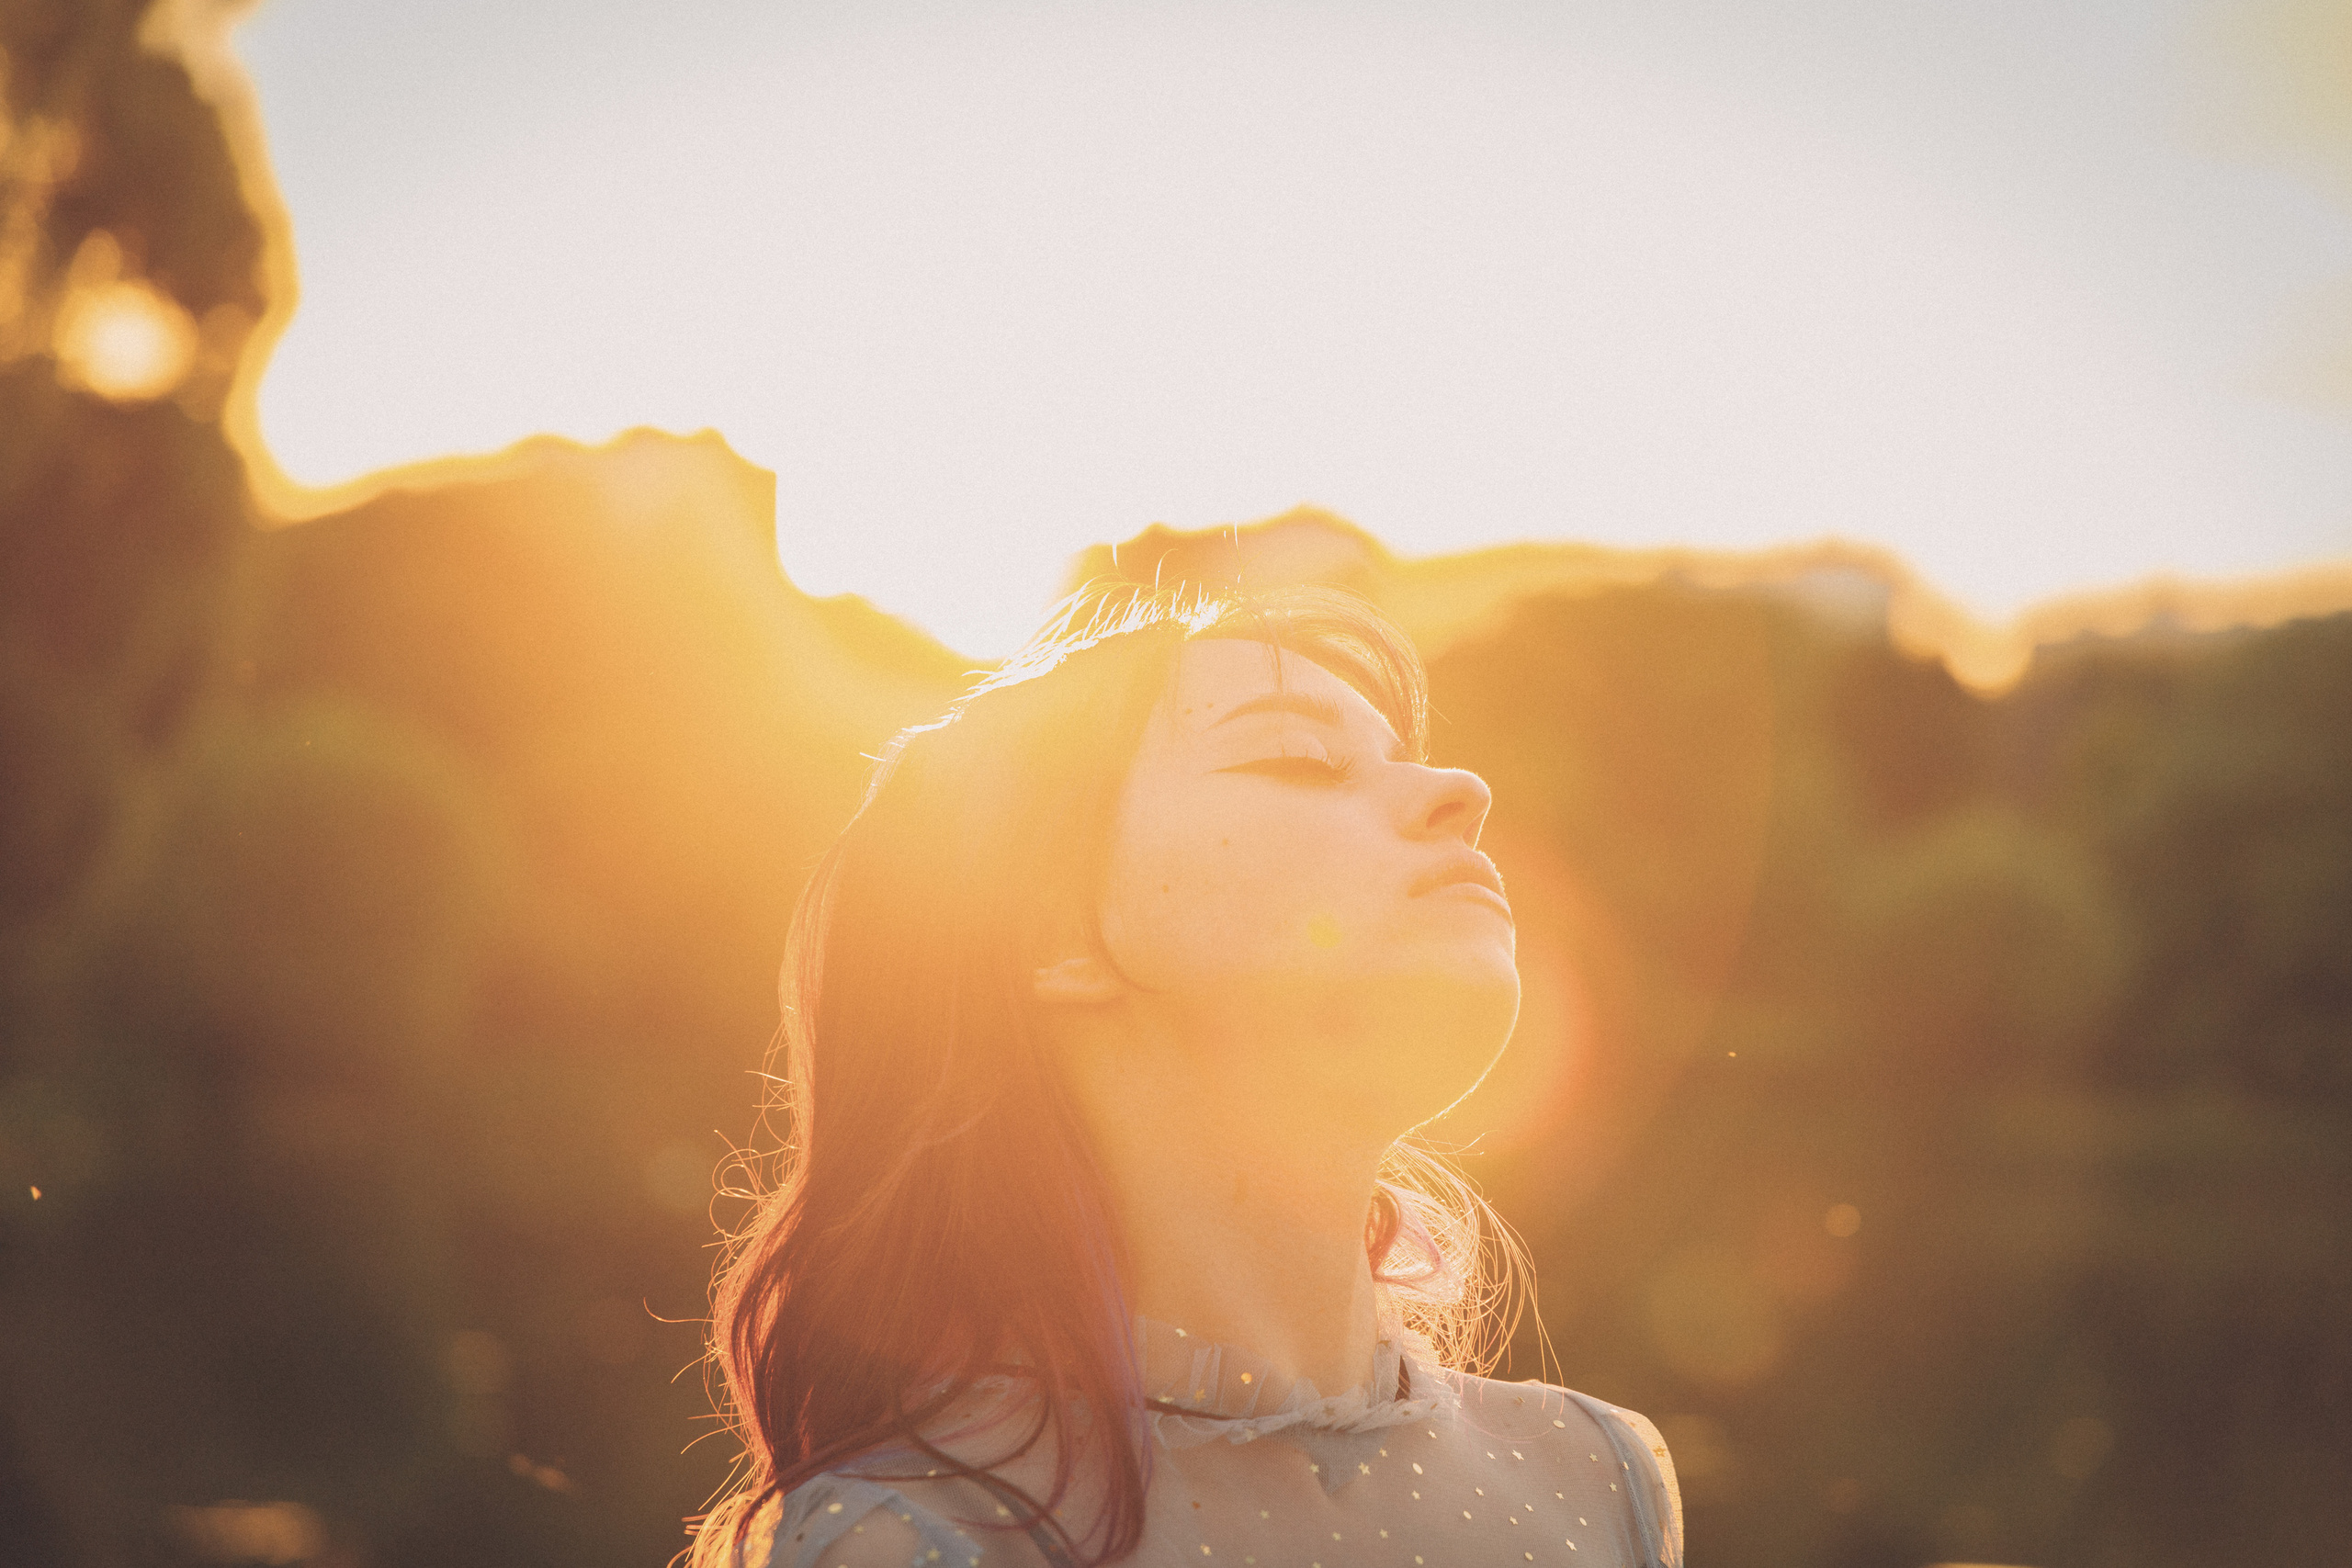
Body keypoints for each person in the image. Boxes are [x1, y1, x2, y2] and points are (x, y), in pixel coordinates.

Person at [692, 583, 1681, 1568]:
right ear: (1056, 932)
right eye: (1298, 759)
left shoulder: (1597, 1479)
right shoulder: (902, 1543)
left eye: (1406, 758)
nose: (1462, 789)